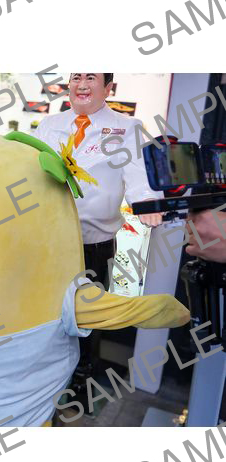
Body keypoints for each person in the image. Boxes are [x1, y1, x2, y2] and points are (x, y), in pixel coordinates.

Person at [35, 73, 163, 400]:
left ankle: (82, 381)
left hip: (93, 242)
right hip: (49, 240)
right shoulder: (50, 124)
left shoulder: (127, 128)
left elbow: (139, 175)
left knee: (87, 315)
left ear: (108, 88)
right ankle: (46, 375)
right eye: (76, 77)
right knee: (47, 310)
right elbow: (29, 168)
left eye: (91, 77)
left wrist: (146, 204)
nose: (82, 84)